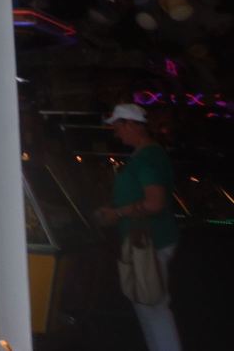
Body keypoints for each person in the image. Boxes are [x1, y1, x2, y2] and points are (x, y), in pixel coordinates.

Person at [96, 103, 182, 351]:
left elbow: (154, 203)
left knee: (152, 306)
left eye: (118, 126)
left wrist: (117, 213)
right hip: (149, 239)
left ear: (132, 125)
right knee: (149, 305)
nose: (116, 133)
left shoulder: (146, 159)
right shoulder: (150, 154)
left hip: (148, 241)